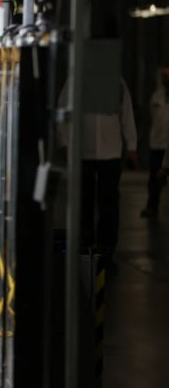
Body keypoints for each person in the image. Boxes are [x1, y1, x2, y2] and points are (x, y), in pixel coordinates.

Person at [58, 77, 138, 261]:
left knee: (108, 202)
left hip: (111, 152)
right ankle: (84, 247)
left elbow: (126, 114)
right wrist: (63, 141)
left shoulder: (117, 82)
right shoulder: (75, 79)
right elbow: (62, 109)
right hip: (82, 152)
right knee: (84, 201)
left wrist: (132, 146)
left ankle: (106, 249)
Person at [143, 65, 169, 218]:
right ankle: (152, 206)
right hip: (158, 143)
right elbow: (153, 116)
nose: (166, 79)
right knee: (154, 177)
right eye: (164, 76)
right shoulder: (156, 96)